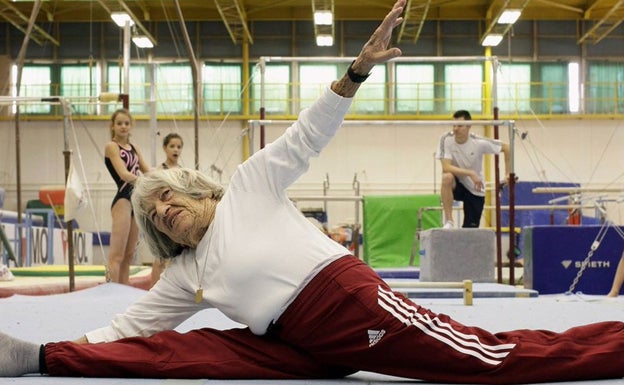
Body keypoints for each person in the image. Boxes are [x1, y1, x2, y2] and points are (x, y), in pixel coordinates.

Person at [3, 2, 624, 382]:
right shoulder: (182, 275)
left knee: (487, 362)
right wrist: (72, 345)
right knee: (177, 352)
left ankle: (612, 347)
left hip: (344, 303)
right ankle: (41, 357)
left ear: (197, 190)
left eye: (170, 200)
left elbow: (306, 136)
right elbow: (129, 325)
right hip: (286, 341)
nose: (168, 215)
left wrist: (355, 74)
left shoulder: (247, 187)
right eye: (159, 221)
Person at [436, 110, 511, 229]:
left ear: (469, 126)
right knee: (447, 177)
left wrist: (508, 173)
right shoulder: (446, 139)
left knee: (469, 231)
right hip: (457, 185)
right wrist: (470, 173)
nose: (456, 129)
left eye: (460, 126)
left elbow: (507, 147)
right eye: (454, 125)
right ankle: (449, 221)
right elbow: (446, 167)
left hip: (475, 188)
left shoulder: (479, 142)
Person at [104, 108, 150, 284]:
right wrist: (144, 182)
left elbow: (148, 171)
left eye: (126, 123)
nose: (123, 126)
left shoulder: (134, 148)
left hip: (135, 200)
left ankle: (123, 292)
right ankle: (110, 292)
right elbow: (124, 174)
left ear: (131, 126)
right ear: (113, 126)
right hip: (123, 199)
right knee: (117, 255)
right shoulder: (111, 147)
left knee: (129, 255)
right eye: (119, 123)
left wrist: (168, 174)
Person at [150, 133, 184, 287]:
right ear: (165, 148)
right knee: (161, 255)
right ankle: (152, 289)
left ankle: (174, 289)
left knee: (177, 256)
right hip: (163, 215)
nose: (175, 150)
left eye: (178, 147)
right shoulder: (159, 170)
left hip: (177, 216)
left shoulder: (183, 172)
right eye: (172, 146)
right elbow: (154, 195)